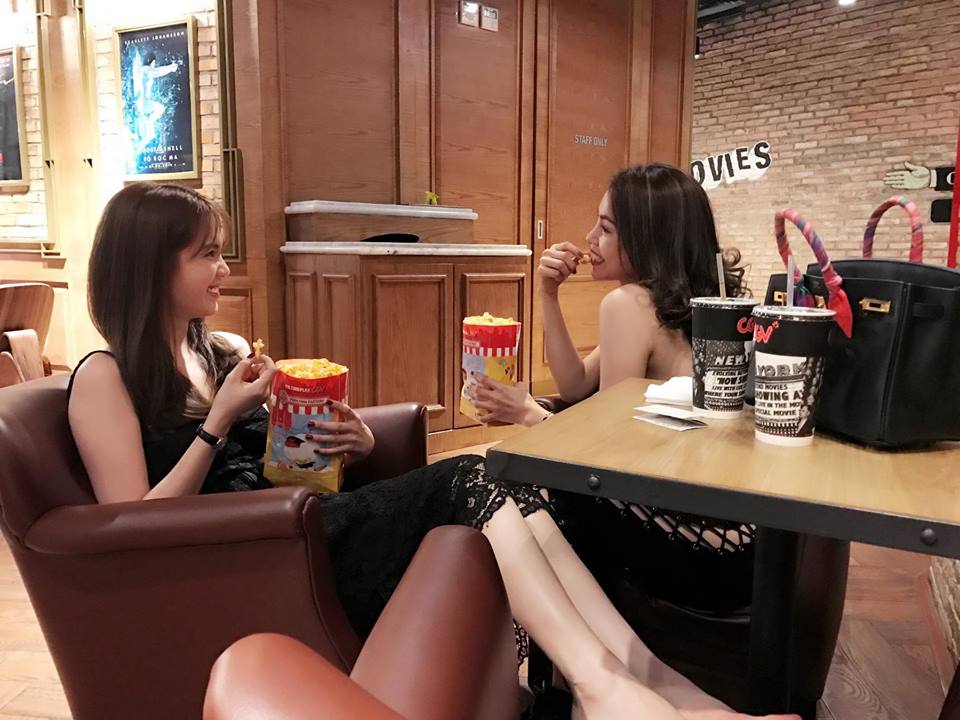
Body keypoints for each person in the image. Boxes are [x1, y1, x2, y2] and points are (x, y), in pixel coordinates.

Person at [68, 182, 794, 720]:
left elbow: (284, 463)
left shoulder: (222, 349)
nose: (224, 268)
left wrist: (351, 443)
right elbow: (133, 526)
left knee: (501, 481)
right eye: (207, 255)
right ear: (150, 267)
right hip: (254, 553)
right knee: (472, 475)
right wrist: (217, 424)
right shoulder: (105, 377)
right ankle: (603, 686)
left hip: (297, 516)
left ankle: (648, 683)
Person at [472, 163, 757, 617]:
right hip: (736, 540)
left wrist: (528, 413)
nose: (589, 239)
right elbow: (574, 383)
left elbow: (605, 459)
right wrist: (548, 294)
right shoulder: (677, 304)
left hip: (691, 549)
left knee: (492, 489)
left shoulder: (628, 304)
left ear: (647, 238)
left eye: (605, 229)